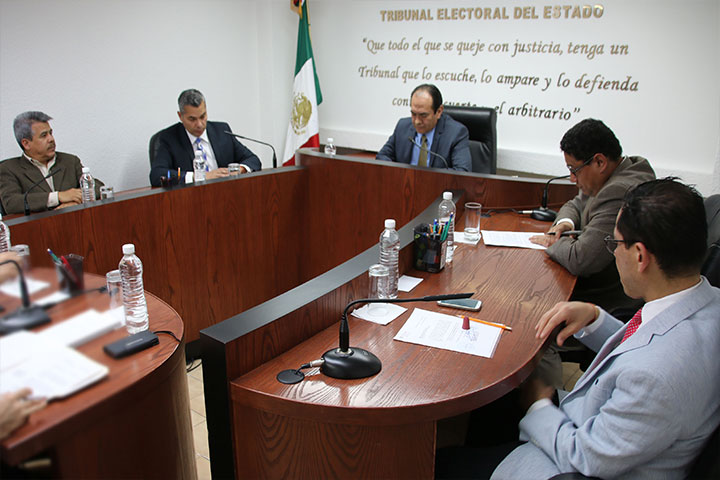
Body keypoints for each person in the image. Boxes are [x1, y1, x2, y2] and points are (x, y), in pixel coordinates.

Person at [489, 178, 720, 479]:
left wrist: (539, 405)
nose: (614, 253)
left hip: (568, 463)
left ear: (639, 256)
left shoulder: (655, 377)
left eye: (616, 244)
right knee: (498, 404)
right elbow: (648, 343)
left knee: (454, 457)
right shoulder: (709, 302)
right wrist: (596, 319)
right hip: (616, 425)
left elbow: (585, 457)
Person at [530, 118, 655, 312]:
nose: (572, 179)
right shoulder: (614, 173)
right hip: (596, 284)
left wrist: (553, 242)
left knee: (531, 301)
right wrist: (565, 224)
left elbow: (580, 259)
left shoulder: (619, 190)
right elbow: (575, 204)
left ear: (599, 162)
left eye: (574, 170)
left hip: (607, 299)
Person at [149, 89, 261, 187]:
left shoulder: (222, 131)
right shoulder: (169, 138)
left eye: (202, 116)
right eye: (192, 119)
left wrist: (239, 170)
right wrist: (199, 176)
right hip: (190, 199)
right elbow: (157, 174)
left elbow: (253, 160)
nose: (199, 124)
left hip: (226, 196)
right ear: (180, 116)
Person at [0, 112, 104, 214]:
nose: (51, 139)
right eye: (44, 135)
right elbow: (11, 203)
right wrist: (58, 196)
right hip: (38, 224)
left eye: (51, 133)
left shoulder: (70, 161)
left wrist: (75, 202)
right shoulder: (9, 169)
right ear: (26, 143)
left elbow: (97, 187)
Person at [376, 84, 471, 172]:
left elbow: (462, 171)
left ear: (439, 111)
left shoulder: (456, 133)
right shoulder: (403, 127)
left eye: (423, 115)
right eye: (413, 114)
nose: (417, 121)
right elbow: (382, 156)